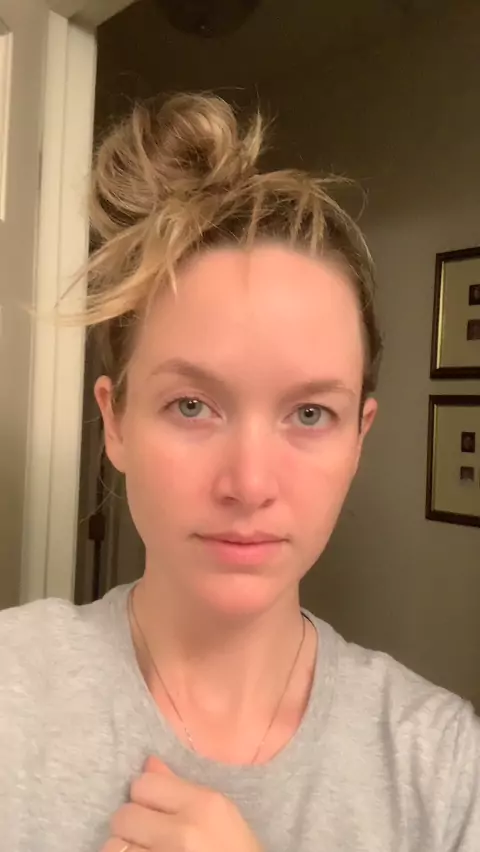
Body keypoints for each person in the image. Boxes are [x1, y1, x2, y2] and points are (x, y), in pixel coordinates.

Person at [0, 93, 479, 852]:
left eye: (310, 413)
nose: (250, 484)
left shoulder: (445, 768)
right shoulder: (11, 694)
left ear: (359, 437)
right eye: (192, 405)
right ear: (116, 422)